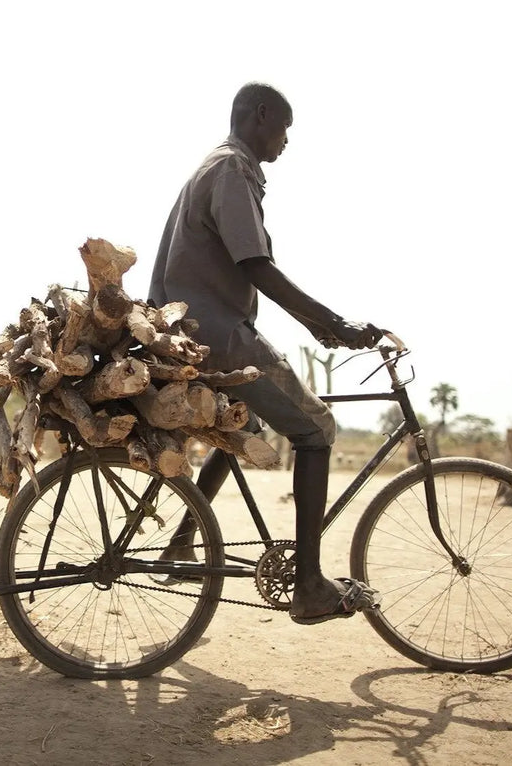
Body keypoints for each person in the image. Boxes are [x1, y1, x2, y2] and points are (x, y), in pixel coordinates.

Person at [148, 81, 382, 624]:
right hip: (217, 338)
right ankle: (310, 586)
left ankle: (180, 543)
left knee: (244, 425)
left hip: (193, 333)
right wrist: (333, 322)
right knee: (317, 428)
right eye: (284, 128)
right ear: (260, 115)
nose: (286, 141)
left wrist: (322, 327)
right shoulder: (232, 169)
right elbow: (256, 266)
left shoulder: (219, 166)